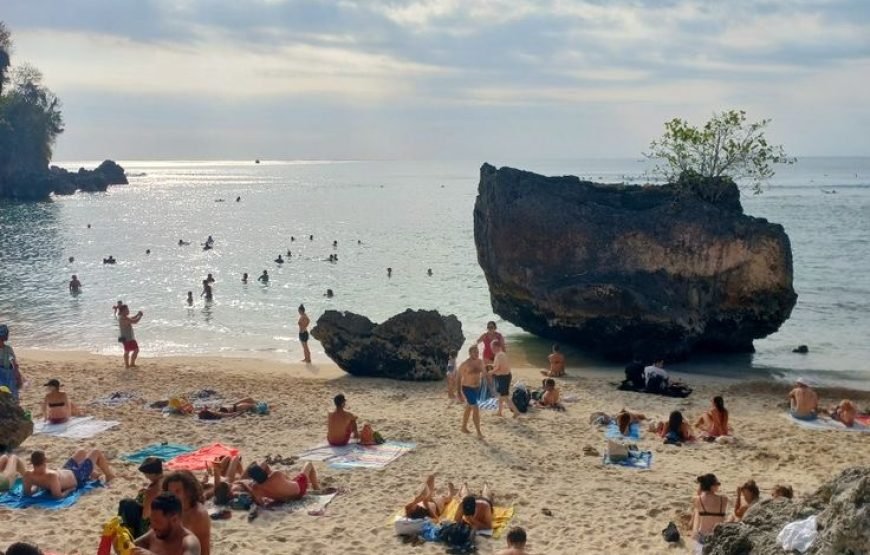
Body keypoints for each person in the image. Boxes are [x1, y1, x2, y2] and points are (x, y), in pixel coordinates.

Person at [24, 449, 115, 498]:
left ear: (32, 462)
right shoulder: (51, 476)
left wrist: (38, 486)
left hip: (65, 470)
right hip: (78, 476)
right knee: (96, 452)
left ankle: (91, 473)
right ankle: (109, 475)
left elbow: (27, 493)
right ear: (45, 461)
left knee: (81, 452)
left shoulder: (28, 475)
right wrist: (70, 489)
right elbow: (58, 496)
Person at [134, 492, 201, 555]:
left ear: (174, 519)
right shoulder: (154, 533)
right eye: (151, 521)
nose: (152, 525)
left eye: (157, 521)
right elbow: (131, 545)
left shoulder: (189, 542)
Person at [229, 461, 319, 505]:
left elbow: (260, 503)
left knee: (289, 481)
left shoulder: (256, 488)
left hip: (283, 500)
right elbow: (285, 478)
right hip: (299, 490)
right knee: (309, 464)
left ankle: (314, 486)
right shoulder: (276, 474)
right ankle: (317, 488)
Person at [163, 471, 211, 555]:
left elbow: (204, 549)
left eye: (177, 491)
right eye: (170, 492)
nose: (173, 496)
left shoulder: (198, 514)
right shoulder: (172, 508)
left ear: (188, 492)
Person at [691, 473, 728, 545]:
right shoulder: (724, 499)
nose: (718, 486)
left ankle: (692, 531)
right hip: (718, 537)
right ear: (712, 486)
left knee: (697, 510)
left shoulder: (697, 499)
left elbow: (698, 494)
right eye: (717, 484)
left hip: (703, 537)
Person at [459, 345, 486, 439]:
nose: (477, 354)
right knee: (475, 408)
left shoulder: (480, 362)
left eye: (478, 352)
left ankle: (463, 427)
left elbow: (484, 373)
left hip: (477, 388)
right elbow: (458, 377)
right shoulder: (465, 364)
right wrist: (459, 393)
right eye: (475, 352)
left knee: (469, 407)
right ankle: (479, 432)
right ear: (470, 353)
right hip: (467, 388)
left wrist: (491, 386)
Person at [489, 341, 520, 418]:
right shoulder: (502, 354)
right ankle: (499, 412)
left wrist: (491, 372)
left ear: (496, 347)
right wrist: (492, 366)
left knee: (505, 396)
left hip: (504, 377)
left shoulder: (499, 355)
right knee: (501, 396)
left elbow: (498, 367)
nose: (491, 349)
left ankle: (516, 412)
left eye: (492, 347)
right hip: (504, 376)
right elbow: (499, 366)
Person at [0, 324, 23, 402]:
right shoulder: (8, 349)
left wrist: (17, 373)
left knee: (12, 393)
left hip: (9, 372)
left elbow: (13, 362)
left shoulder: (8, 349)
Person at [118, 304, 144, 368]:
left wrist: (137, 315)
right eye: (127, 310)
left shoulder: (123, 317)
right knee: (135, 350)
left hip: (126, 337)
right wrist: (140, 316)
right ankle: (129, 364)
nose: (128, 311)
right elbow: (135, 321)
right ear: (122, 311)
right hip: (128, 338)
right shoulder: (123, 318)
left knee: (128, 351)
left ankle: (129, 364)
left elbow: (131, 318)